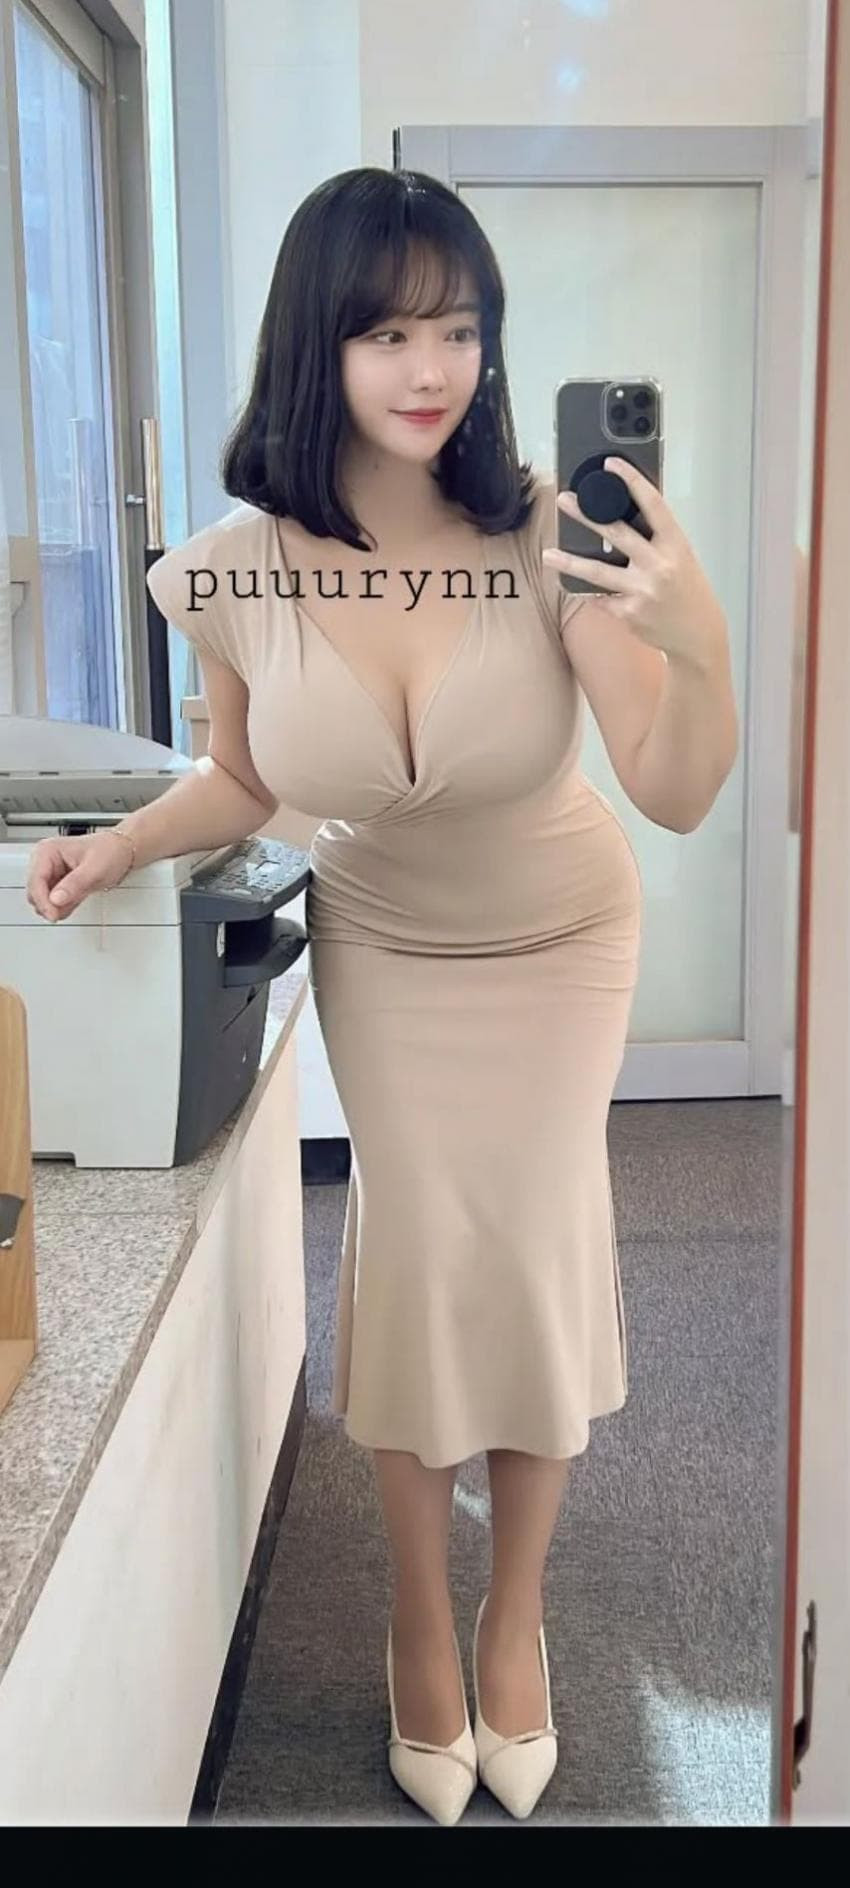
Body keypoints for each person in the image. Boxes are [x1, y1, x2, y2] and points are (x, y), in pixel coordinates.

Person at [26, 168, 726, 1827]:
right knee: (413, 1257)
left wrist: (697, 639)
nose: (432, 369)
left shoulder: (548, 534)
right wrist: (118, 844)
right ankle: (419, 1611)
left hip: (558, 940)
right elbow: (242, 779)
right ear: (317, 344)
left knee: (535, 1247)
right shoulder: (230, 570)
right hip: (391, 948)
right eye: (390, 332)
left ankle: (512, 1616)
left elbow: (673, 787)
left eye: (460, 330)